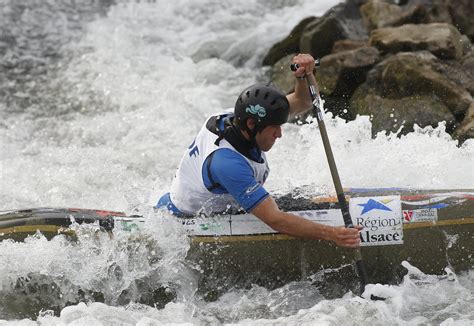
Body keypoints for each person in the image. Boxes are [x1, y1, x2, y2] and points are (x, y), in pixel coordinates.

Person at [157, 53, 361, 248]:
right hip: (189, 221)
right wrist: (334, 235)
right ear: (252, 125)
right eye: (274, 129)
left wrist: (303, 77)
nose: (280, 134)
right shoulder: (227, 163)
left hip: (221, 201)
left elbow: (304, 102)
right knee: (279, 212)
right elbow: (276, 220)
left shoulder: (240, 117)